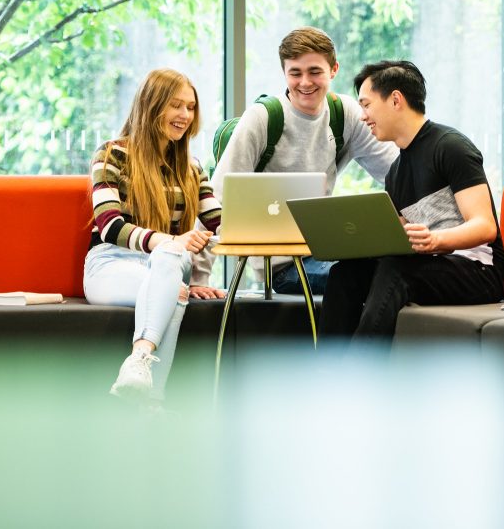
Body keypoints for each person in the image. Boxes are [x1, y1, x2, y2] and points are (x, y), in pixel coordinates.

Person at [196, 27, 397, 294]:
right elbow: (213, 200)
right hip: (282, 265)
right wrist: (199, 278)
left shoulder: (345, 113)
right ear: (284, 73)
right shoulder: (262, 118)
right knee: (371, 280)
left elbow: (397, 172)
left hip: (330, 249)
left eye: (315, 72)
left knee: (396, 270)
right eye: (295, 73)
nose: (305, 82)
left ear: (333, 69)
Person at [320, 60, 504, 342]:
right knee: (345, 274)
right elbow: (398, 234)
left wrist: (435, 240)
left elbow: (484, 226)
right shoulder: (396, 172)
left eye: (366, 105)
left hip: (477, 270)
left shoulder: (451, 147)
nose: (362, 116)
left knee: (396, 270)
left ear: (395, 99)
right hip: (429, 265)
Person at [84, 67, 225, 405]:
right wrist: (168, 241)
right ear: (151, 105)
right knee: (173, 284)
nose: (185, 115)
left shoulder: (191, 168)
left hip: (168, 267)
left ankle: (139, 360)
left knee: (172, 272)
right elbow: (109, 226)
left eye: (190, 107)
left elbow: (220, 221)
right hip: (110, 265)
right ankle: (154, 402)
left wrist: (265, 225)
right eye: (176, 105)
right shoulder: (112, 155)